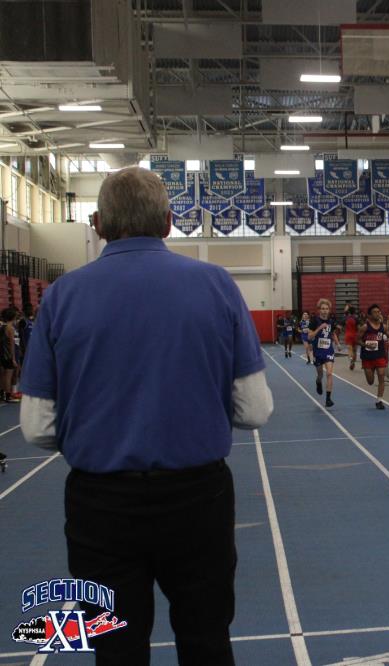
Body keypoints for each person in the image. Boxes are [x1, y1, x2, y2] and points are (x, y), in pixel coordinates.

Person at [19, 166, 272, 665]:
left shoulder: (63, 295)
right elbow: (255, 409)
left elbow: (36, 427)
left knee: (115, 649)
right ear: (169, 222)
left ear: (97, 224)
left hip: (100, 506)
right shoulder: (216, 284)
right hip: (198, 499)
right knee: (206, 641)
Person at [309, 298, 339, 407]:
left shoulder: (331, 321)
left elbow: (333, 333)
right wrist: (319, 328)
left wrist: (338, 344)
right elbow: (310, 336)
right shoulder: (314, 321)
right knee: (320, 374)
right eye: (322, 308)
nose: (325, 311)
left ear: (329, 310)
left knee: (329, 373)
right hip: (318, 351)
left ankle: (328, 399)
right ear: (319, 310)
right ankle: (318, 382)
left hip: (328, 350)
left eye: (326, 308)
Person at [359, 304, 389, 409]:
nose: (377, 314)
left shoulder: (383, 327)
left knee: (381, 375)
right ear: (370, 315)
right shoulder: (365, 327)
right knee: (370, 381)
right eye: (375, 312)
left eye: (378, 312)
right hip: (367, 357)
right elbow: (357, 340)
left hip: (380, 355)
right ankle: (369, 372)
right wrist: (365, 345)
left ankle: (379, 400)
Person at [0, 308, 20, 402]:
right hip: (8, 355)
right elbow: (12, 345)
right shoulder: (10, 328)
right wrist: (13, 358)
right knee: (8, 376)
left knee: (2, 376)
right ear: (13, 317)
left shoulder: (2, 327)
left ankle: (2, 394)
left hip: (2, 354)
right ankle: (8, 396)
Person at [343, 306, 359, 371]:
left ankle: (351, 360)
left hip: (348, 335)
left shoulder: (345, 318)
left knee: (350, 349)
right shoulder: (356, 319)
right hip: (355, 335)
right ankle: (353, 361)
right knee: (355, 350)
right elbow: (359, 328)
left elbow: (339, 326)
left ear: (349, 312)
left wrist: (344, 330)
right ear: (354, 312)